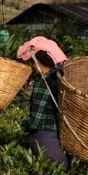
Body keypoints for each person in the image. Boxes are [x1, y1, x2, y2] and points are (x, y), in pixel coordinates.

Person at [17, 36, 69, 167]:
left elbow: (36, 121)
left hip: (45, 137)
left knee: (51, 172)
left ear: (36, 62)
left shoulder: (43, 83)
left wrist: (24, 124)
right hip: (62, 135)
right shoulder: (61, 79)